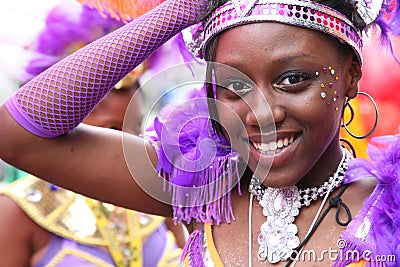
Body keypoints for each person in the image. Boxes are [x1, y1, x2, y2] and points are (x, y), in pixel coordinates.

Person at [0, 0, 399, 266]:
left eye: (292, 79)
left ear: (349, 75)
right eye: (234, 87)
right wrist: (179, 11)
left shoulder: (390, 208)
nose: (261, 114)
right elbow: (17, 135)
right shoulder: (204, 190)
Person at [0, 71, 185, 266]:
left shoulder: (157, 191)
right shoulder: (16, 210)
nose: (131, 145)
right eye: (112, 130)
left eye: (136, 127)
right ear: (68, 129)